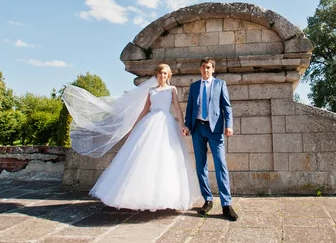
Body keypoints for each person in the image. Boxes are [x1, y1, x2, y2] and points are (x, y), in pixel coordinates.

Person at [62, 64, 201, 212]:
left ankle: (166, 196)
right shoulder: (151, 90)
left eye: (165, 74)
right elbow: (144, 110)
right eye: (160, 73)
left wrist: (183, 125)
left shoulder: (172, 90)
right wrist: (133, 126)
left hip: (166, 123)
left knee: (166, 158)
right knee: (143, 158)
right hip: (150, 123)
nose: (163, 76)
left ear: (169, 75)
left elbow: (178, 108)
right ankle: (141, 196)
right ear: (157, 75)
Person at [184, 57, 239, 221]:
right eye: (203, 67)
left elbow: (227, 107)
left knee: (221, 164)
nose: (205, 70)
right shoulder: (194, 87)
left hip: (215, 129)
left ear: (213, 69)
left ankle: (226, 205)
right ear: (200, 69)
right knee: (201, 166)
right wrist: (187, 125)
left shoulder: (220, 84)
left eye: (208, 68)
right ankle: (207, 200)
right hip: (198, 128)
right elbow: (189, 109)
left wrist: (229, 125)